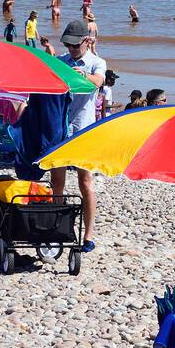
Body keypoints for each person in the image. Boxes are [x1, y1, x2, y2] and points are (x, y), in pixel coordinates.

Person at [49, 20, 107, 251]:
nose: (72, 49)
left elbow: (98, 82)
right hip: (62, 127)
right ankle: (57, 228)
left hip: (84, 128)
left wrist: (81, 74)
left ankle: (89, 235)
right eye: (68, 45)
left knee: (85, 182)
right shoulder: (61, 61)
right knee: (57, 183)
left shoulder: (96, 62)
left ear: (87, 41)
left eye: (75, 45)